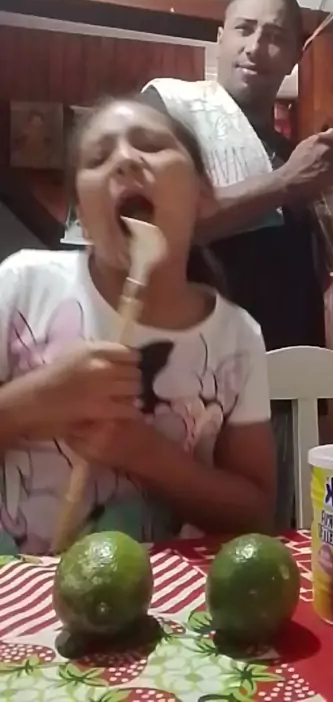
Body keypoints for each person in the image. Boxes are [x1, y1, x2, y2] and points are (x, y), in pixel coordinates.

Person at [0, 99, 275, 554]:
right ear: (81, 216)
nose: (125, 159)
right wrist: (37, 399)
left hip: (163, 591)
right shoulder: (22, 284)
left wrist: (147, 455)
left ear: (203, 196)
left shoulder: (237, 338)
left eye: (150, 145)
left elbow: (256, 515)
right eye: (98, 157)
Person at [140, 0, 333, 527]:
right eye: (245, 30)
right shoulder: (171, 108)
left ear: (294, 56)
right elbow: (158, 227)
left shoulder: (290, 151)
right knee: (178, 549)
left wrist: (328, 228)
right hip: (189, 383)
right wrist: (283, 183)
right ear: (220, 37)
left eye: (275, 36)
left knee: (267, 547)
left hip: (281, 391)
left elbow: (298, 272)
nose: (256, 47)